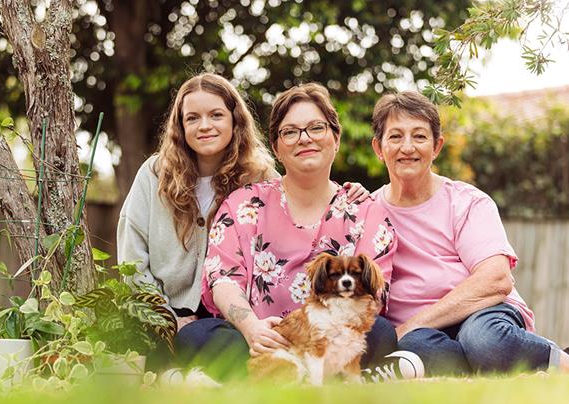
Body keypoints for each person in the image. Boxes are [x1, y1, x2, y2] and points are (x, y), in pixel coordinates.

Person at [117, 73, 366, 371]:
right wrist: (168, 318)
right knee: (171, 337)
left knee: (222, 344)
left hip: (237, 319)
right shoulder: (154, 175)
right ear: (180, 127)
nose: (205, 125)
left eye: (216, 115)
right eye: (192, 118)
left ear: (235, 120)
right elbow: (132, 259)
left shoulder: (261, 178)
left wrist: (347, 193)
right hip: (164, 311)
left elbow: (303, 203)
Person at [177, 83, 401, 380]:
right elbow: (222, 278)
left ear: (336, 138)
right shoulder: (244, 204)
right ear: (276, 147)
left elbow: (375, 292)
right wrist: (252, 328)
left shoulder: (366, 211)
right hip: (257, 343)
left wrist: (317, 332)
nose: (304, 139)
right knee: (196, 335)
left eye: (316, 128)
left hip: (333, 339)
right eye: (290, 132)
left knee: (381, 333)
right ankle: (275, 375)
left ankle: (283, 379)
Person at [370, 90, 569, 376]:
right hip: (420, 337)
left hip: (482, 315)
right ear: (379, 148)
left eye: (420, 136)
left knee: (485, 341)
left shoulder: (467, 202)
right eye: (396, 136)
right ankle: (485, 367)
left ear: (437, 146)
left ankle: (560, 362)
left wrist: (412, 324)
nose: (408, 147)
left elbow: (496, 280)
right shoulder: (367, 211)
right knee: (416, 347)